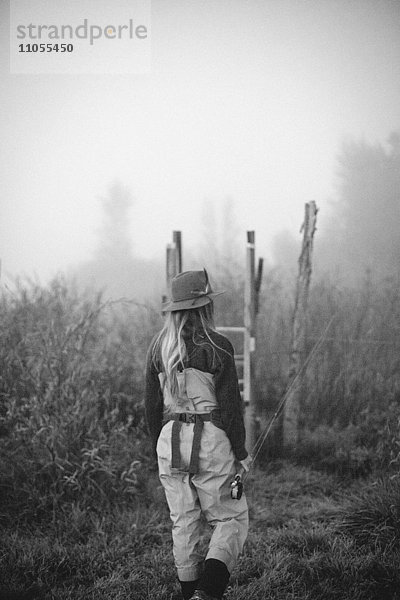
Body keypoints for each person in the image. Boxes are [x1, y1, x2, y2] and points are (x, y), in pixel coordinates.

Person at [145, 269, 252, 600]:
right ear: (205, 306)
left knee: (184, 519)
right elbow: (230, 407)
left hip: (169, 439)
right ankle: (206, 592)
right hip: (211, 439)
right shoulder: (219, 345)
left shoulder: (158, 347)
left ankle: (190, 591)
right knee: (230, 518)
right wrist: (241, 451)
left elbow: (150, 406)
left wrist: (157, 448)